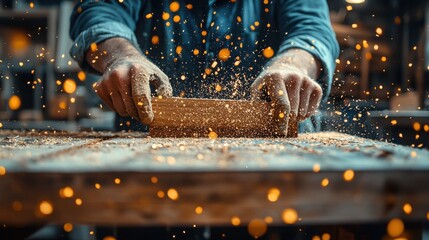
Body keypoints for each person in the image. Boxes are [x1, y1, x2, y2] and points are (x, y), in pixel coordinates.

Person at [70, 0, 339, 135]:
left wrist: (293, 65)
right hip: (146, 160)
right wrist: (121, 57)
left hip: (277, 166)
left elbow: (312, 30)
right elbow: (99, 11)